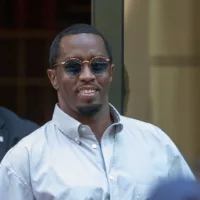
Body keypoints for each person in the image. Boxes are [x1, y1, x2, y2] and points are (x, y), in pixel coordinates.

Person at [0, 23, 195, 199]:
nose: (87, 75)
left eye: (98, 65)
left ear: (110, 72)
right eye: (73, 67)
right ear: (53, 78)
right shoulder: (24, 160)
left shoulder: (155, 143)